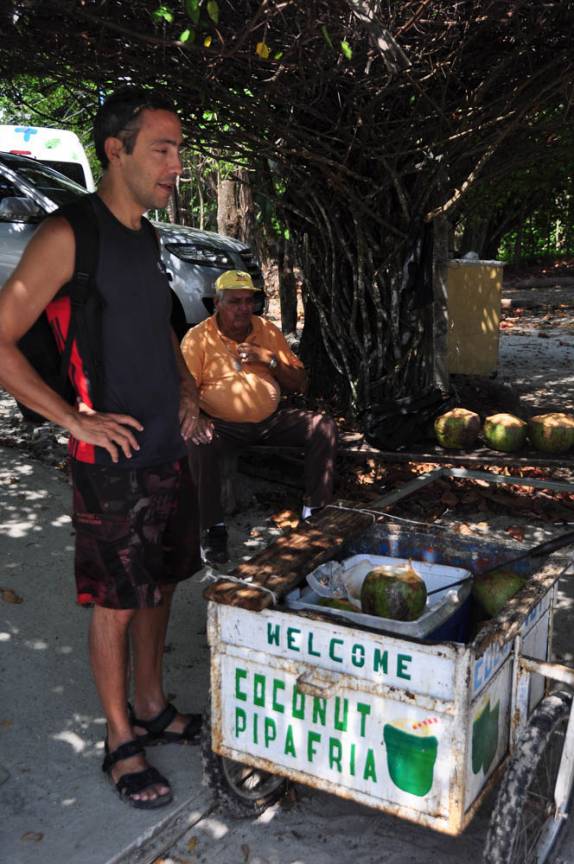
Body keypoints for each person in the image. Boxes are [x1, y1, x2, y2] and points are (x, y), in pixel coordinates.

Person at [0, 88, 203, 809]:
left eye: (179, 150)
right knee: (117, 600)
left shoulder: (145, 237)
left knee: (164, 581)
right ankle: (119, 739)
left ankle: (151, 703)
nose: (177, 164)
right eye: (164, 148)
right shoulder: (68, 235)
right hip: (109, 462)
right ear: (115, 150)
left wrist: (183, 391)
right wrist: (72, 420)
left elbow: (159, 334)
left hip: (166, 446)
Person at [181, 269, 337, 564]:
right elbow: (185, 389)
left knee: (323, 427)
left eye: (248, 301)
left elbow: (299, 382)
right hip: (222, 425)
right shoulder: (198, 338)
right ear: (217, 303)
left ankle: (315, 512)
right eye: (234, 301)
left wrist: (270, 360)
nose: (243, 308)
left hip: (270, 421)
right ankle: (212, 528)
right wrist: (197, 417)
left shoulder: (266, 330)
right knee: (196, 441)